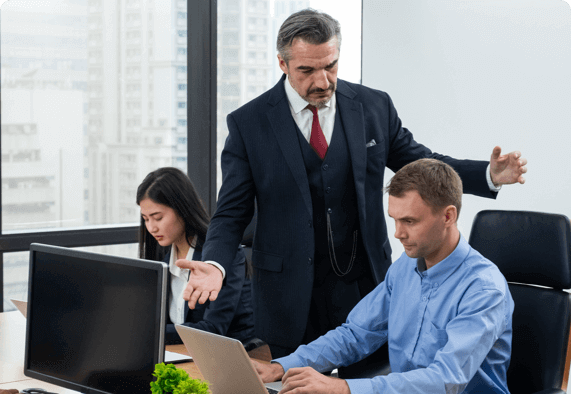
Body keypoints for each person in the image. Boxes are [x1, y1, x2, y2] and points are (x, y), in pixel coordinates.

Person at [178, 9, 527, 358]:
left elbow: (423, 163)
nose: (322, 81)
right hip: (288, 297)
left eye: (330, 66)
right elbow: (230, 213)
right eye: (307, 70)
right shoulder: (248, 124)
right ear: (282, 64)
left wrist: (488, 174)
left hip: (366, 287)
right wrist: (216, 264)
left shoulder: (374, 106)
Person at [254, 159, 514, 394]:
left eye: (409, 221)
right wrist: (281, 367)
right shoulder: (405, 267)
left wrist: (344, 389)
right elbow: (355, 335)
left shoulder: (484, 289)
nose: (398, 233)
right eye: (395, 219)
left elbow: (444, 381)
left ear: (448, 216)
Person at [137, 167, 255, 345]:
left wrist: (146, 331)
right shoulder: (163, 261)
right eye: (146, 219)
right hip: (182, 353)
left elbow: (213, 330)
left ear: (182, 209)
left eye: (158, 217)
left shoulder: (221, 259)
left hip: (230, 356)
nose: (152, 227)